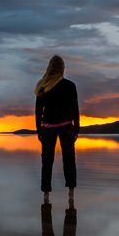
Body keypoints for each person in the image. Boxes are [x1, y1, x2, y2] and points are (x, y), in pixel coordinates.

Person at [34, 55, 80, 203]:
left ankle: (46, 195)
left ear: (50, 67)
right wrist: (76, 129)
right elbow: (75, 110)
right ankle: (71, 193)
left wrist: (39, 130)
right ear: (62, 68)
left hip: (48, 128)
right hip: (66, 128)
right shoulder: (70, 85)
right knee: (69, 160)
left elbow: (38, 110)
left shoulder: (43, 85)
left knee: (47, 161)